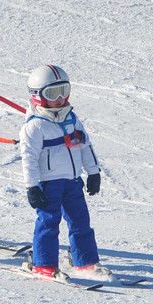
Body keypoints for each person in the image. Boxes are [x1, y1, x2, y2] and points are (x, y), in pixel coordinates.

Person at [19, 64, 108, 280]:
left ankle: (85, 261)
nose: (59, 98)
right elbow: (28, 159)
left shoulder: (72, 119)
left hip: (73, 181)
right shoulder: (34, 127)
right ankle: (44, 264)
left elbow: (85, 146)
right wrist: (32, 186)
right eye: (52, 93)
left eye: (64, 91)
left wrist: (93, 172)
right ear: (38, 96)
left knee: (80, 221)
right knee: (49, 222)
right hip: (49, 183)